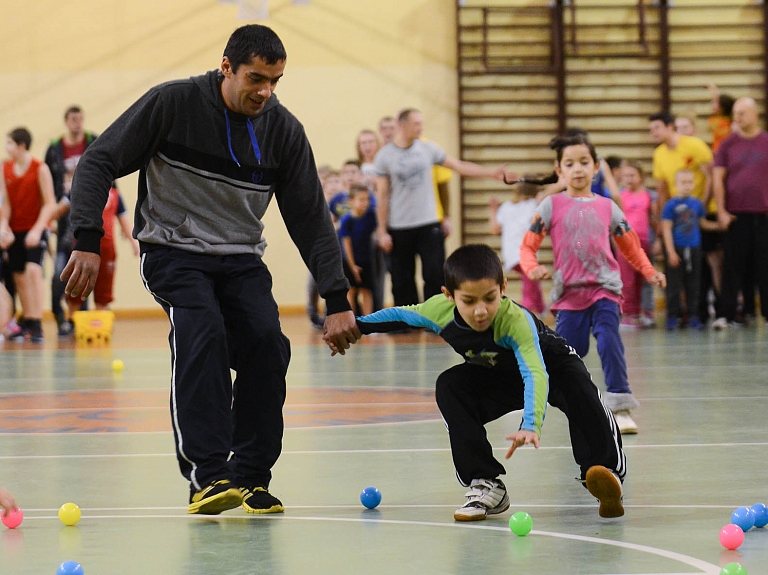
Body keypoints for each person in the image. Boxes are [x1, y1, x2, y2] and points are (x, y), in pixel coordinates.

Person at [62, 24, 360, 516]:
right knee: (202, 331)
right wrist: (87, 239)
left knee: (268, 344)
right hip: (172, 251)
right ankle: (208, 476)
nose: (265, 91)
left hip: (240, 259)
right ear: (227, 68)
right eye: (255, 78)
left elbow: (311, 219)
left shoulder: (282, 131)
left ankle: (249, 478)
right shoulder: (172, 104)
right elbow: (98, 160)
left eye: (275, 81)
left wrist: (337, 299)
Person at [341, 244, 627, 521]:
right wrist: (357, 325)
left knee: (580, 389)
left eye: (490, 298)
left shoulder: (514, 321)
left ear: (503, 288)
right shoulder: (437, 311)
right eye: (469, 301)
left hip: (553, 366)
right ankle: (485, 483)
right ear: (449, 295)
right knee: (450, 386)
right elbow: (400, 314)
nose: (481, 310)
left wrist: (531, 423)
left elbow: (535, 372)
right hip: (498, 375)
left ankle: (603, 471)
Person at [519, 134, 666, 435]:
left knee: (610, 339)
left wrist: (649, 271)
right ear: (559, 170)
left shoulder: (608, 207)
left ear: (596, 167)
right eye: (569, 163)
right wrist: (532, 268)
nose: (578, 169)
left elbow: (631, 247)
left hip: (605, 290)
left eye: (584, 162)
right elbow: (527, 247)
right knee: (568, 355)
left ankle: (621, 406)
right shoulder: (550, 205)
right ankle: (551, 397)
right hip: (569, 295)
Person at [374, 108, 511, 306]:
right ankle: (406, 322)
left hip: (429, 223)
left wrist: (490, 173)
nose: (421, 127)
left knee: (434, 273)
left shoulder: (428, 149)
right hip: (399, 226)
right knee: (401, 278)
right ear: (403, 125)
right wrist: (382, 230)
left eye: (421, 123)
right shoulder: (385, 156)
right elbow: (383, 195)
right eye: (416, 124)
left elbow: (459, 166)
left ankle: (434, 318)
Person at [649, 111, 721, 323]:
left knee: (707, 267)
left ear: (670, 126)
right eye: (650, 130)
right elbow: (662, 189)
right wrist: (661, 224)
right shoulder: (659, 153)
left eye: (656, 128)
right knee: (676, 271)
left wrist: (702, 206)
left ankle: (711, 311)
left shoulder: (694, 145)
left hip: (701, 209)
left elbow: (710, 176)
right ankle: (678, 314)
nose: (652, 133)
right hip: (676, 217)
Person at [712, 97, 768, 329]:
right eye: (735, 113)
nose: (737, 117)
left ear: (755, 114)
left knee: (765, 266)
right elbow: (718, 179)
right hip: (736, 215)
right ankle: (725, 314)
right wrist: (722, 211)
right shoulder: (727, 144)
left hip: (764, 215)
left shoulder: (766, 141)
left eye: (742, 113)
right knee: (733, 267)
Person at [45, 105, 98, 337]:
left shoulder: (92, 142)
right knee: (60, 272)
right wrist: (48, 219)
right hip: (62, 217)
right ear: (66, 121)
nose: (77, 122)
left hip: (85, 217)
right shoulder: (55, 148)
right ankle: (59, 317)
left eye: (80, 118)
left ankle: (79, 320)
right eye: (73, 119)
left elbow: (106, 177)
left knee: (83, 269)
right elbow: (45, 185)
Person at [3, 127, 57, 343]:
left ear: (21, 146)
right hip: (14, 231)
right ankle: (28, 319)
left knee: (34, 271)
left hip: (35, 228)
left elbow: (50, 202)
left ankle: (37, 323)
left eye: (9, 143)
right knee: (18, 276)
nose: (6, 148)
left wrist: (37, 229)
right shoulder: (5, 168)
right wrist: (3, 226)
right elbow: (5, 204)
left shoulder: (40, 168)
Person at [64, 184, 139, 315]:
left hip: (107, 250)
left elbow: (124, 221)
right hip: (83, 248)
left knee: (104, 292)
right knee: (77, 286)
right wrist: (44, 223)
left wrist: (134, 243)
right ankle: (71, 321)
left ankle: (100, 323)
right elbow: (60, 207)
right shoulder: (81, 189)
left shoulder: (115, 195)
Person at [660, 169, 720, 330]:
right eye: (683, 182)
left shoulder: (697, 204)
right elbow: (666, 228)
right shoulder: (670, 205)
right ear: (676, 184)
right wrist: (671, 251)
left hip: (694, 248)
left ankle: (693, 315)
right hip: (677, 249)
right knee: (674, 285)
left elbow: (702, 223)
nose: (687, 186)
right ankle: (673, 316)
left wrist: (718, 226)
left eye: (689, 182)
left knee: (694, 284)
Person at [488, 178, 545, 316]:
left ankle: (541, 308)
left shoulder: (506, 207)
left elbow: (495, 229)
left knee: (531, 280)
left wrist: (493, 210)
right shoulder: (533, 204)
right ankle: (524, 311)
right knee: (529, 286)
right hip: (526, 253)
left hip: (511, 254)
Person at [617, 161, 657, 328]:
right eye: (625, 176)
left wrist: (659, 240)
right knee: (628, 281)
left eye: (632, 175)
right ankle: (630, 312)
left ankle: (647, 311)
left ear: (641, 177)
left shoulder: (649, 196)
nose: (629, 179)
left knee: (647, 278)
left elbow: (655, 220)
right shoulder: (620, 196)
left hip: (645, 242)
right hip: (625, 244)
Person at [339, 183, 377, 315]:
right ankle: (352, 322)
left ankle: (369, 320)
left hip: (366, 260)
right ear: (351, 201)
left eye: (367, 199)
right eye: (361, 200)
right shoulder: (347, 220)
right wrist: (352, 265)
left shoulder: (371, 217)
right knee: (351, 290)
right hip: (349, 261)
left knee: (366, 290)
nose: (365, 203)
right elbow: (346, 244)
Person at [706, 83, 735, 152]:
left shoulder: (732, 121)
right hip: (718, 151)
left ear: (722, 107)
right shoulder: (713, 120)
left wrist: (713, 89)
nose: (712, 104)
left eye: (715, 103)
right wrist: (713, 89)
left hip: (730, 151)